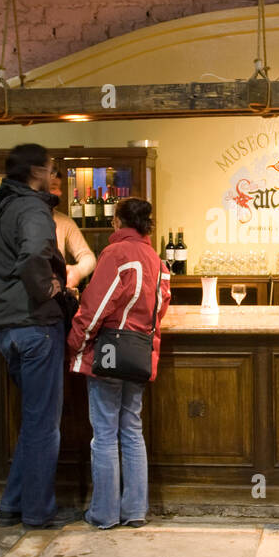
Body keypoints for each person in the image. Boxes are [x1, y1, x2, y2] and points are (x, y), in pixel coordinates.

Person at [0, 143, 73, 528]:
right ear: (36, 171)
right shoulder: (33, 207)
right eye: (52, 169)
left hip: (6, 327)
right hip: (36, 324)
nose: (55, 177)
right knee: (42, 424)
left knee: (33, 421)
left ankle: (12, 504)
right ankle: (37, 512)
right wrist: (47, 290)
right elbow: (34, 254)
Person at [67, 197, 171, 529]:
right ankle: (135, 510)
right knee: (131, 430)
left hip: (110, 350)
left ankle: (105, 513)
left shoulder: (115, 254)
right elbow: (162, 302)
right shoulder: (155, 258)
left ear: (117, 222)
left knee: (105, 434)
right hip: (139, 351)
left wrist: (76, 343)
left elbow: (95, 307)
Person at [49, 163, 96, 291]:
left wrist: (77, 271)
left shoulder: (64, 222)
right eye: (53, 187)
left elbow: (88, 257)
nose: (59, 193)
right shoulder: (19, 220)